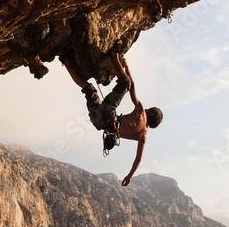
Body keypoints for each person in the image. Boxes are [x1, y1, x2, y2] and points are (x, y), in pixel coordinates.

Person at [62, 51, 163, 186]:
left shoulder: (141, 113)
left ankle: (115, 54)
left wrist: (126, 66)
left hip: (108, 116)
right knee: (88, 89)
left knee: (125, 82)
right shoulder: (143, 136)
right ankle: (66, 61)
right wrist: (129, 176)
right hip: (98, 122)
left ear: (151, 113)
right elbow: (138, 159)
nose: (147, 109)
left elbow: (131, 86)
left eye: (150, 109)